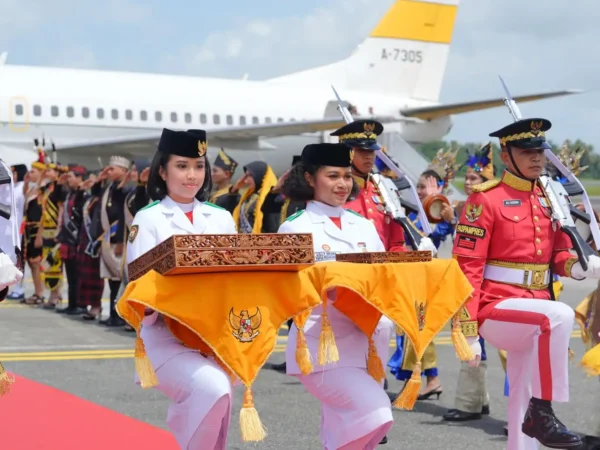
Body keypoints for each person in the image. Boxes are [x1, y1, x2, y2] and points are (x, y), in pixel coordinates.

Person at [452, 117, 600, 449]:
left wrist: (584, 269)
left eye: (540, 152)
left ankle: (526, 432)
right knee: (557, 315)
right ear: (506, 156)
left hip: (534, 306)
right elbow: (467, 268)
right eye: (526, 151)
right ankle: (543, 412)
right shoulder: (485, 199)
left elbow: (560, 255)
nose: (537, 158)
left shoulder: (550, 199)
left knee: (523, 386)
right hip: (495, 307)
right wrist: (466, 330)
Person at [126, 128, 238, 450]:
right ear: (162, 170)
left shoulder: (221, 218)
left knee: (218, 413)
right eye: (182, 166)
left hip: (214, 338)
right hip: (165, 338)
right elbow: (141, 287)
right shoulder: (147, 220)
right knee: (212, 389)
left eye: (199, 166)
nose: (192, 175)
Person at [278, 142, 394, 450]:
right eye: (332, 176)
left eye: (346, 176)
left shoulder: (364, 226)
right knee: (376, 412)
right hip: (320, 346)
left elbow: (384, 278)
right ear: (310, 179)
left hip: (369, 344)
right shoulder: (295, 228)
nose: (342, 184)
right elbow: (286, 293)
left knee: (354, 434)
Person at [444, 143, 497, 422]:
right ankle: (477, 400)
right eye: (466, 177)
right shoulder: (463, 206)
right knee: (475, 342)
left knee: (480, 340)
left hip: (488, 285)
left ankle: (470, 402)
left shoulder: (486, 205)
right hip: (465, 279)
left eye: (474, 178)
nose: (467, 182)